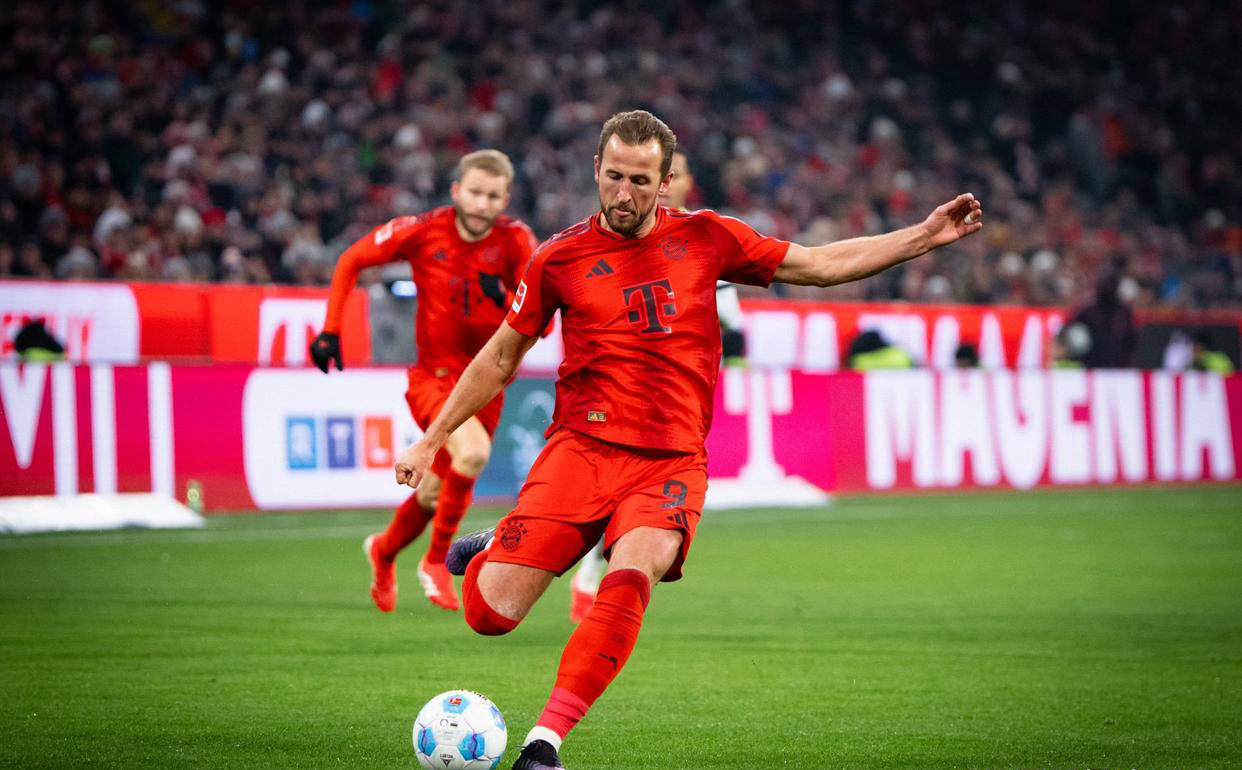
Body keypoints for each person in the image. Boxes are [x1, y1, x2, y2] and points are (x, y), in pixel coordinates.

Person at [393, 110, 983, 770]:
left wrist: (924, 235)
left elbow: (818, 265)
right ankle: (500, 542)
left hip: (669, 461)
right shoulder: (558, 258)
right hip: (581, 451)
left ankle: (544, 743)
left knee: (632, 570)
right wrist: (431, 439)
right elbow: (501, 357)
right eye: (614, 177)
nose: (624, 194)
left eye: (640, 181)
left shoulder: (706, 238)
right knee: (490, 616)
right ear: (596, 169)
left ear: (666, 180)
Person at [310, 149, 536, 614]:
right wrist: (331, 329)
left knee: (434, 492)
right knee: (473, 454)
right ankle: (437, 562)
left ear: (505, 199)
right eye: (474, 192)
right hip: (434, 378)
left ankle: (384, 551)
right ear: (456, 191)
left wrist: (507, 299)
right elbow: (352, 259)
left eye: (493, 196)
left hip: (487, 387)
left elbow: (542, 325)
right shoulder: (423, 231)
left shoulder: (517, 242)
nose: (482, 204)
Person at [566, 148, 748, 624]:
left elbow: (733, 323)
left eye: (677, 175)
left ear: (677, 182)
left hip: (677, 400)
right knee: (610, 495)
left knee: (637, 508)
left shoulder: (704, 240)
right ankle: (576, 566)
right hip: (618, 393)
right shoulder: (616, 238)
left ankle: (593, 573)